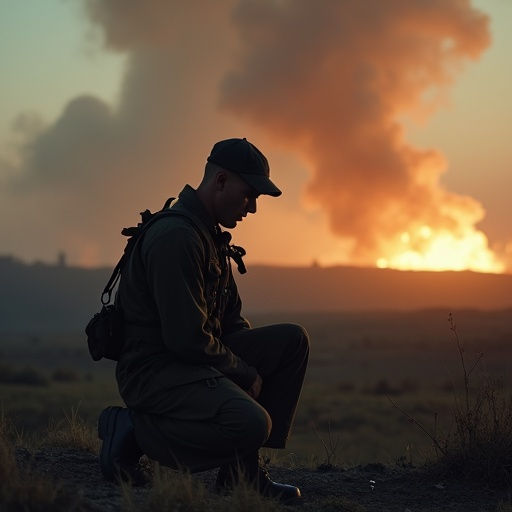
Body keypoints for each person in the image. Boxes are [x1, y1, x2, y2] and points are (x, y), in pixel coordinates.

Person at [97, 137, 310, 503]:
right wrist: (244, 373)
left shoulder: (208, 235)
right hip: (156, 369)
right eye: (249, 195)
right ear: (221, 181)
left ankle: (241, 473)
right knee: (251, 423)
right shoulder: (177, 237)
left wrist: (247, 363)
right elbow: (186, 338)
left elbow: (230, 323)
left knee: (291, 342)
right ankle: (132, 429)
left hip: (191, 359)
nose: (254, 208)